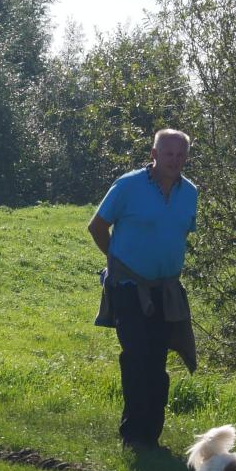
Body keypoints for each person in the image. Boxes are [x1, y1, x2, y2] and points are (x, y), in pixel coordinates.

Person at [89, 129, 199, 450]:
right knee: (137, 359)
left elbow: (178, 234)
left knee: (158, 364)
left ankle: (151, 435)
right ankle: (133, 436)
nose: (174, 160)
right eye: (168, 154)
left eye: (180, 155)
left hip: (166, 292)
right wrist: (118, 263)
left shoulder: (190, 193)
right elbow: (96, 227)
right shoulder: (128, 185)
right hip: (128, 289)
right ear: (153, 154)